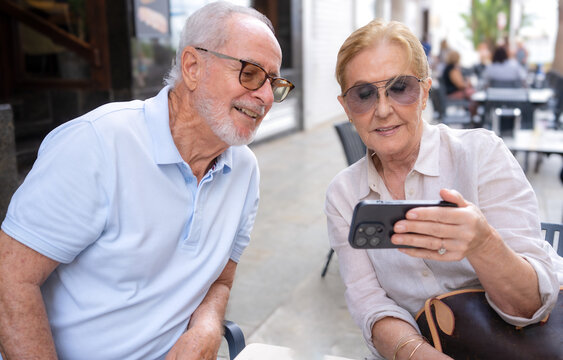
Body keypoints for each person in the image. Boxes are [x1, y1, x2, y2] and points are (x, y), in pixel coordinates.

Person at [0, 2, 294, 359]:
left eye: (275, 83)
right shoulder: (97, 144)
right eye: (250, 73)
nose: (266, 97)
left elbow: (221, 279)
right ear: (193, 67)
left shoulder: (244, 170)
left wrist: (207, 325)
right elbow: (10, 281)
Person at [325, 19, 561, 360]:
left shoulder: (481, 154)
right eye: (363, 94)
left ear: (424, 92)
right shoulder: (344, 194)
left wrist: (482, 243)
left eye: (400, 87)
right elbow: (369, 302)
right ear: (347, 108)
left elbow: (531, 307)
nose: (383, 109)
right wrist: (418, 354)